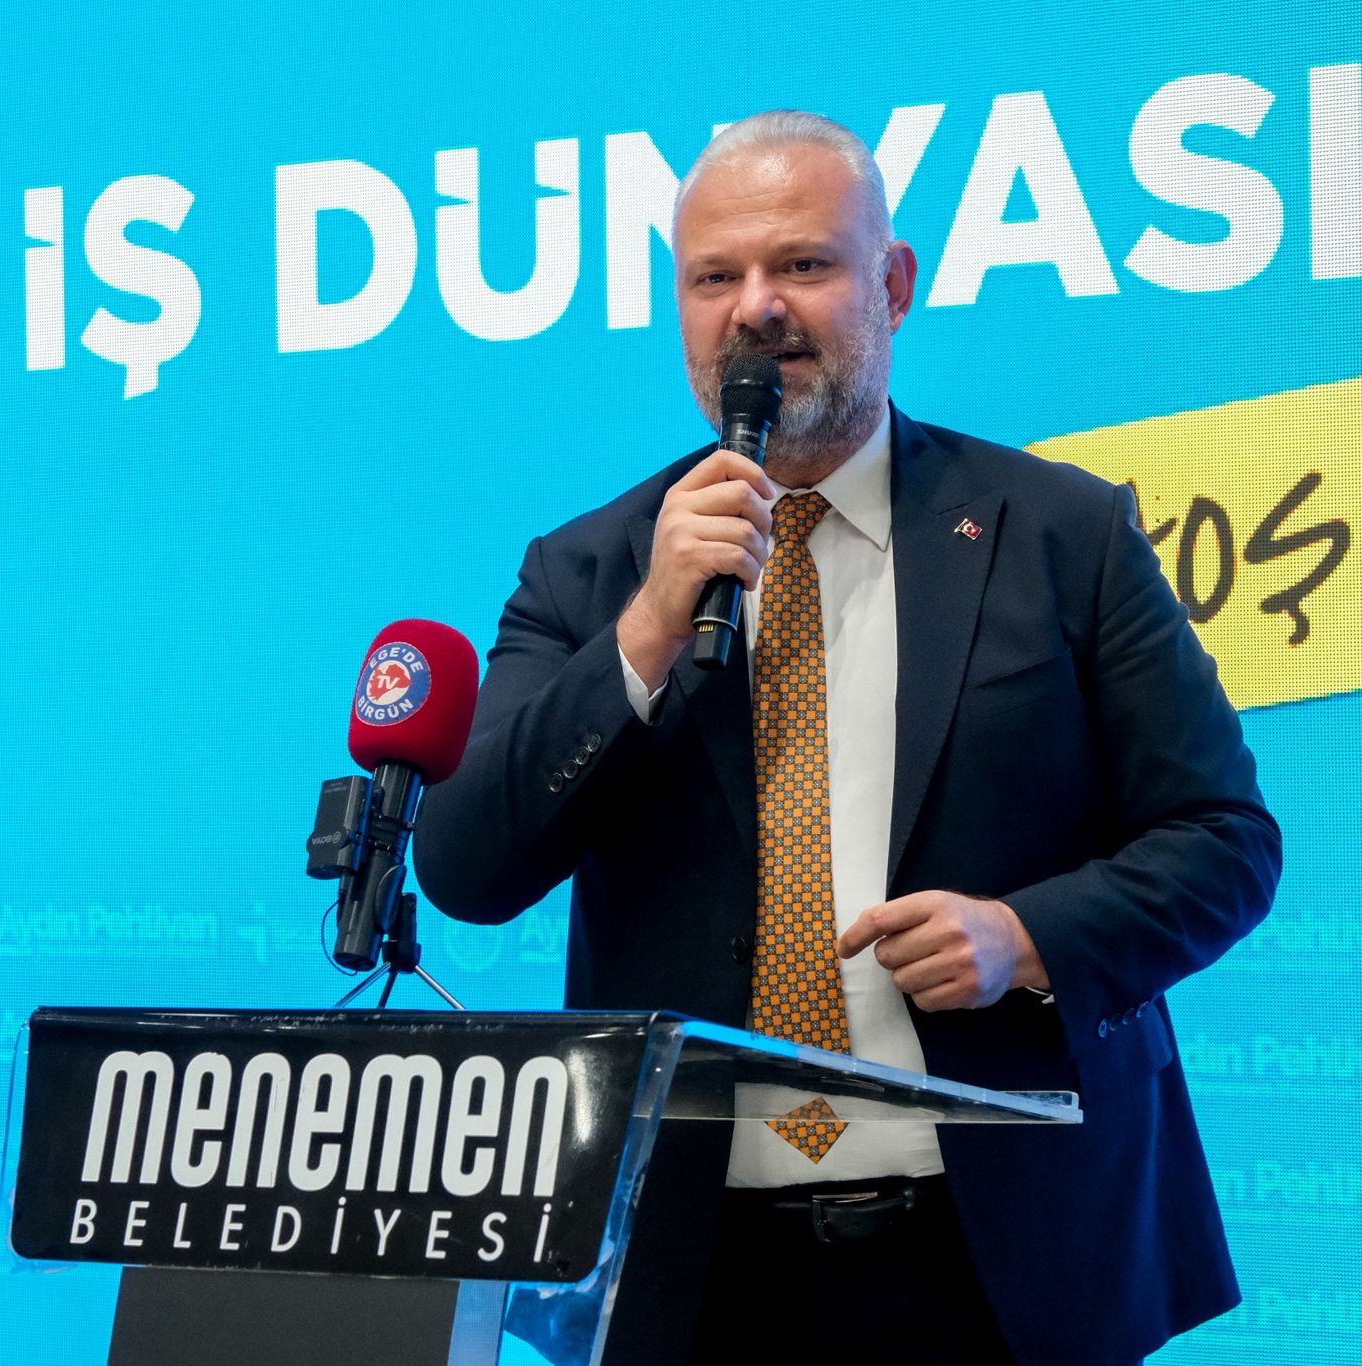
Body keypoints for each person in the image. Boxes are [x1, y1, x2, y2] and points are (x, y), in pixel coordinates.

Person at [413, 110, 1280, 1366]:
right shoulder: (589, 570)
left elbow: (1223, 841)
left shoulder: (1062, 534)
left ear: (893, 284)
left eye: (802, 264)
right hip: (692, 1277)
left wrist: (1026, 936)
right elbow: (465, 867)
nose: (755, 308)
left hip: (1005, 1261)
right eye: (714, 277)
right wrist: (646, 632)